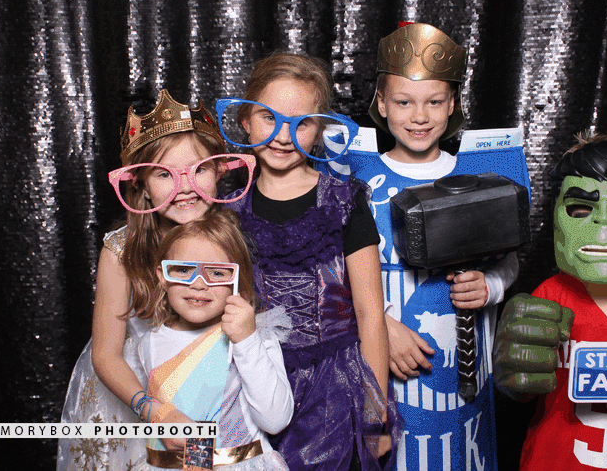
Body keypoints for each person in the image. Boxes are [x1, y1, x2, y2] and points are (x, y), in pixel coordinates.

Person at [320, 23, 527, 471]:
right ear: (381, 103)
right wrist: (380, 325)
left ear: (452, 104)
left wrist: (490, 285)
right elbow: (325, 271)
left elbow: (508, 261)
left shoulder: (481, 175)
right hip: (380, 366)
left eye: (434, 102)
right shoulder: (352, 179)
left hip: (465, 379)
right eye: (403, 102)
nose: (419, 116)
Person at [216, 52, 399, 471]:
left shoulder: (344, 201)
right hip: (254, 385)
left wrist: (375, 418)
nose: (284, 136)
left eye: (301, 123)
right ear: (245, 121)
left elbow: (371, 315)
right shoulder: (227, 210)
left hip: (335, 393)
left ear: (319, 131)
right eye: (269, 118)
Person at [57, 90, 256, 470]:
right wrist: (156, 411)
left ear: (220, 170)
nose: (185, 186)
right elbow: (105, 354)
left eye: (199, 169)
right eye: (164, 174)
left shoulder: (232, 236)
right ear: (141, 185)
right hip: (139, 397)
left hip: (217, 395)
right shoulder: (121, 250)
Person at [493, 134, 607, 471]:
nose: (603, 220)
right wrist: (509, 373)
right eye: (581, 209)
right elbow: (523, 389)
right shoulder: (549, 295)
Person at [136, 207, 293, 470]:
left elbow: (275, 420)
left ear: (238, 280)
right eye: (183, 270)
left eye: (217, 273)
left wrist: (246, 340)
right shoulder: (148, 343)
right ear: (162, 277)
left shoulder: (253, 336)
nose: (199, 284)